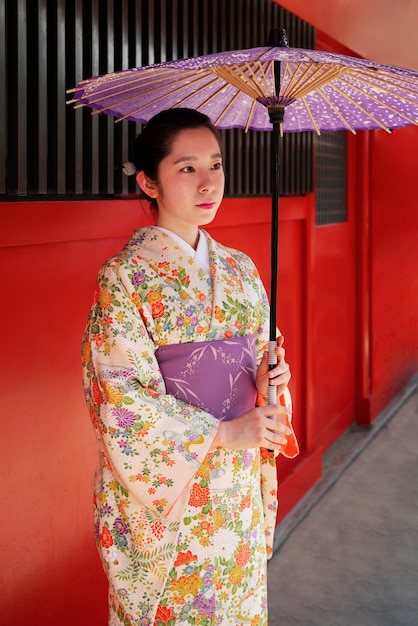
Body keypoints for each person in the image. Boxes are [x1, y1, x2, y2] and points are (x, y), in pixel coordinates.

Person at [81, 108, 299, 626]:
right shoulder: (125, 277)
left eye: (216, 165)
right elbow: (119, 400)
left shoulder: (242, 269)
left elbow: (259, 366)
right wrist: (224, 432)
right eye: (187, 168)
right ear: (148, 181)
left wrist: (273, 381)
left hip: (237, 489)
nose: (209, 183)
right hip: (170, 498)